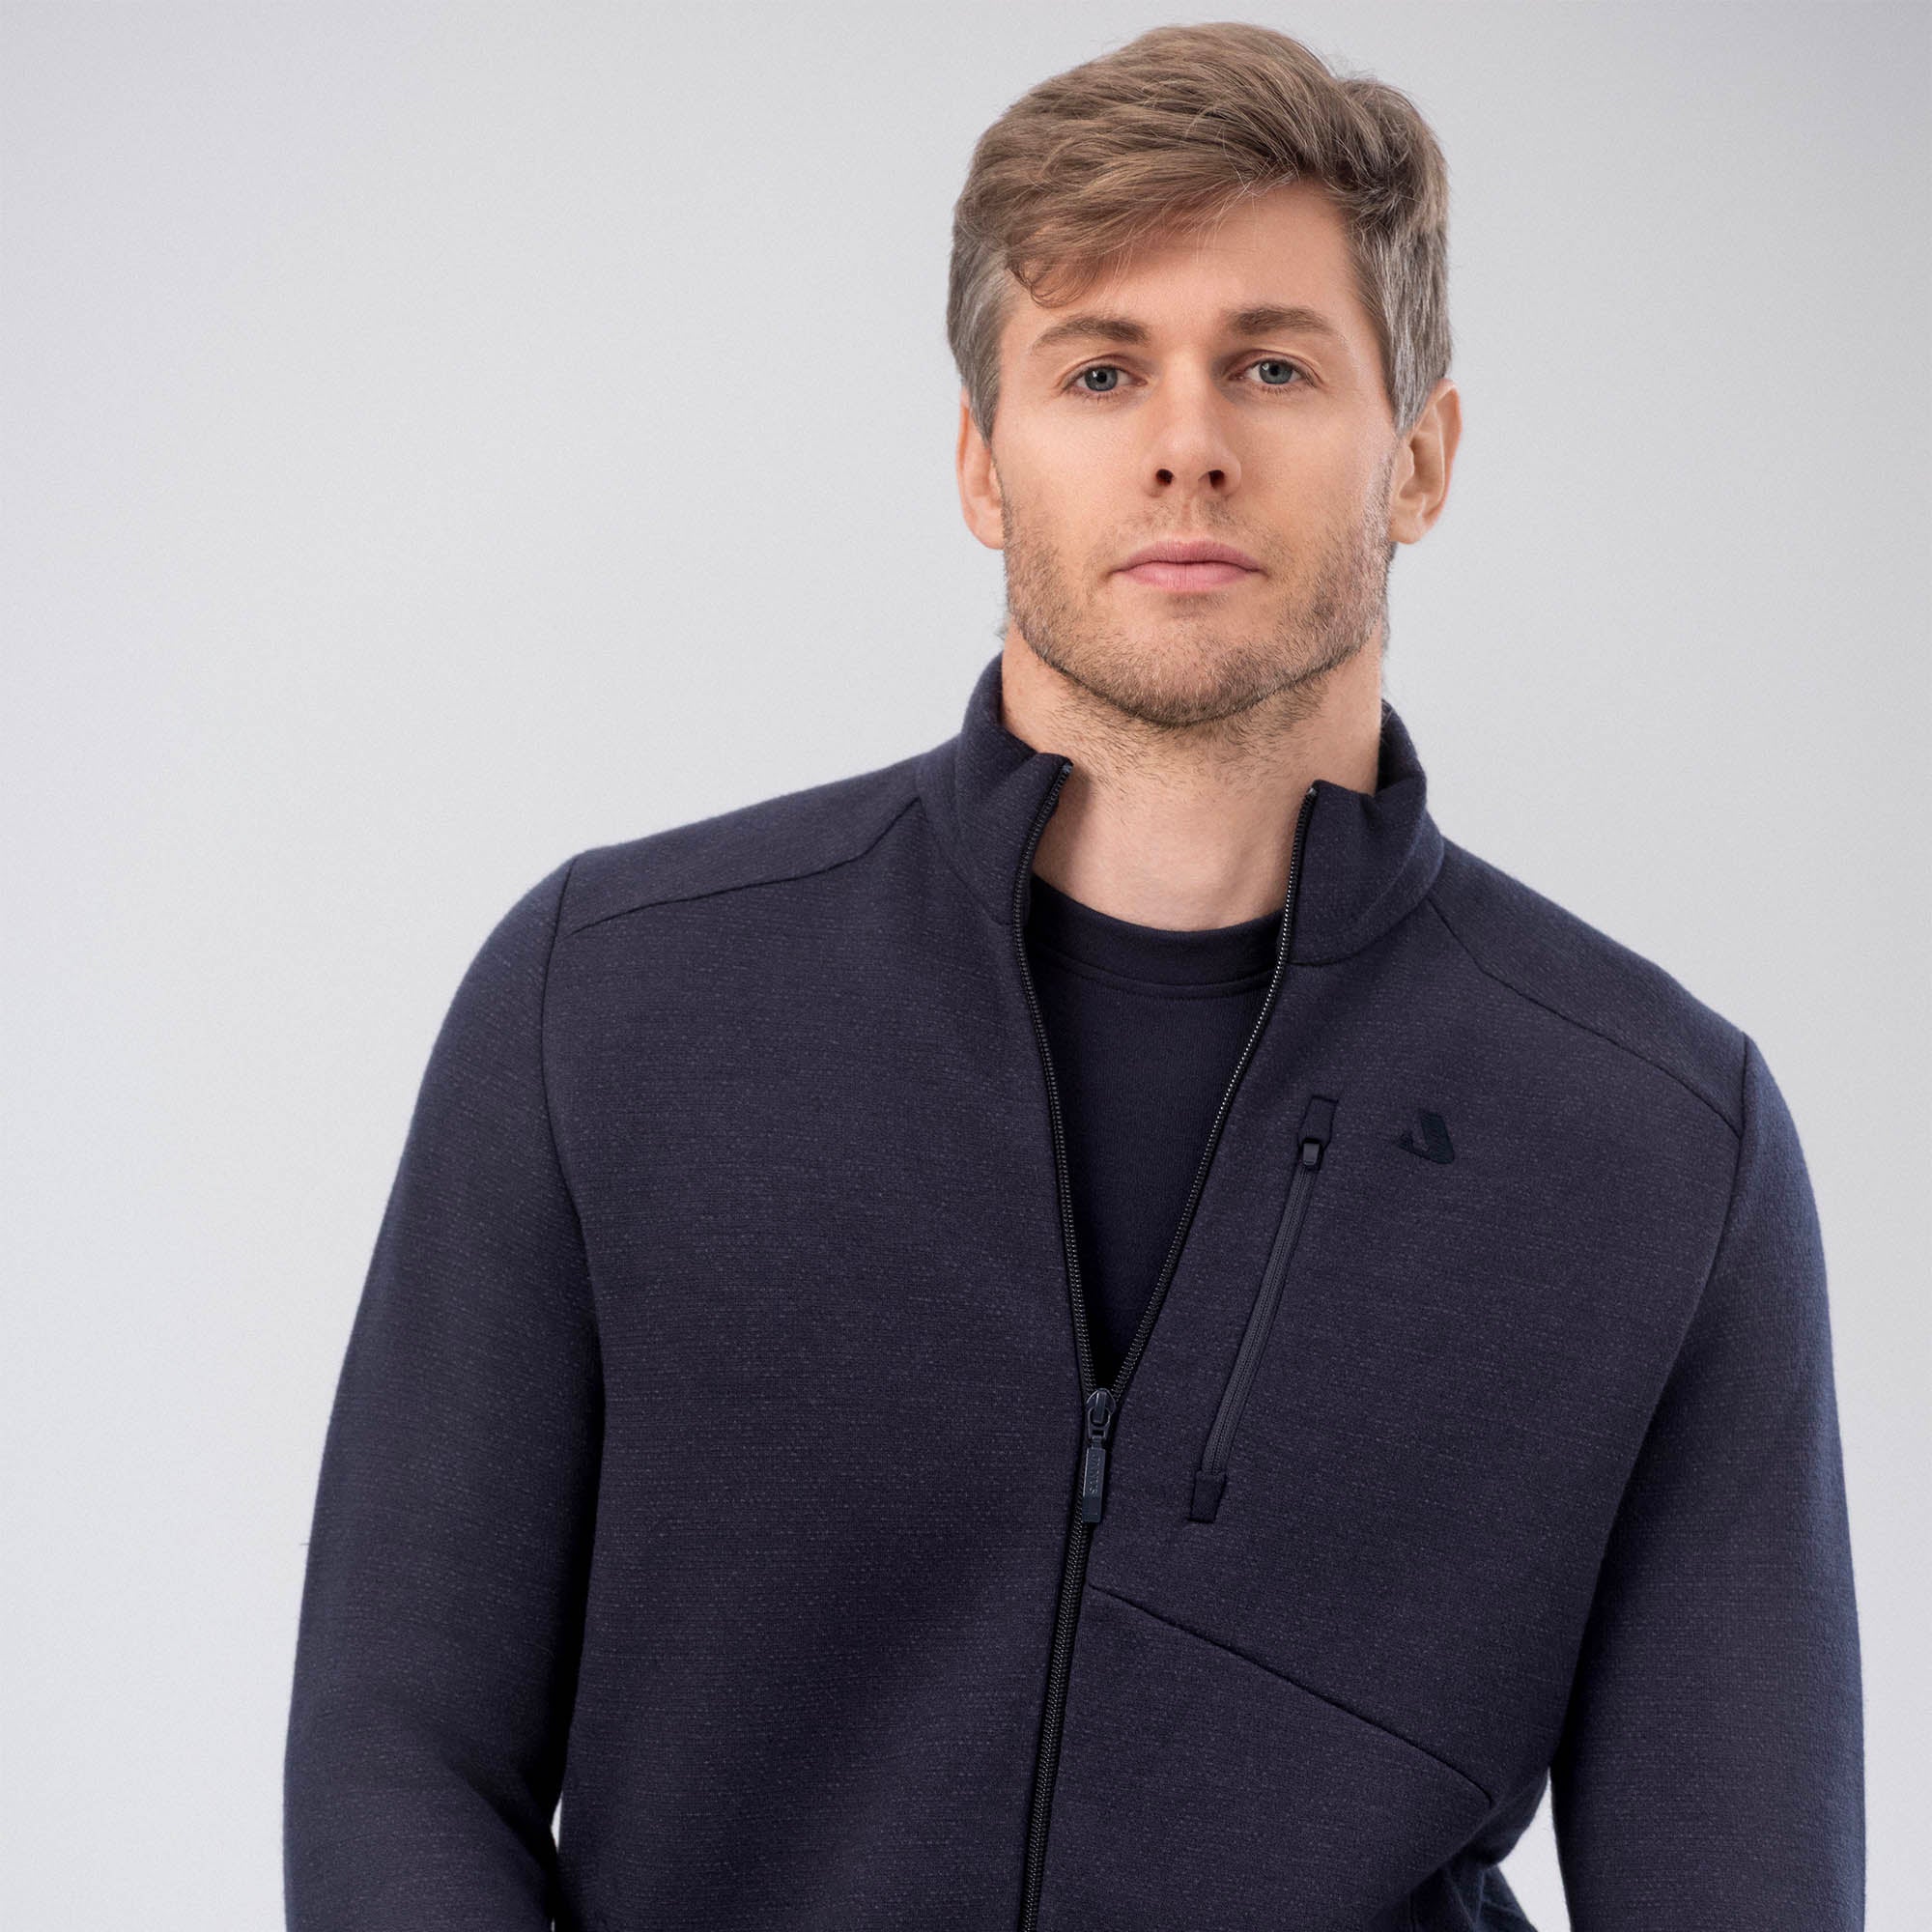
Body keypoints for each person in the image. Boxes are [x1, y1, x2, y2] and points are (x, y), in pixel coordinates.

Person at [282, 21, 1863, 1931]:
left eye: (1272, 365)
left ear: (1420, 456)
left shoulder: (1650, 1142)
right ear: (981, 460)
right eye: (1100, 367)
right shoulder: (611, 1008)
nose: (1185, 437)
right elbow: (399, 1753)